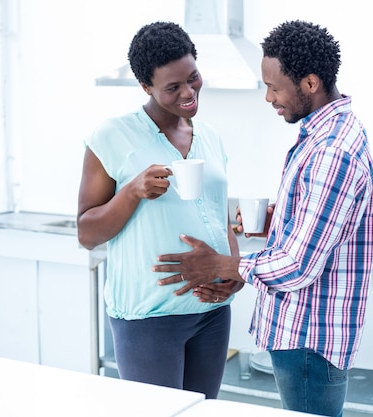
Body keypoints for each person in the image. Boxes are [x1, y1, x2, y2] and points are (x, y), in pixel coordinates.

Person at [152, 20, 373, 416]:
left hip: (309, 338)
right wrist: (281, 220)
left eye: (274, 87)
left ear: (310, 84)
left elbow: (297, 266)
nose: (269, 97)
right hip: (307, 335)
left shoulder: (330, 152)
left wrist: (219, 266)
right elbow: (323, 226)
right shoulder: (331, 133)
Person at [76, 21, 243, 398]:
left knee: (203, 410)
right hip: (150, 317)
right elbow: (87, 234)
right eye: (172, 87)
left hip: (211, 311)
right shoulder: (112, 136)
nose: (188, 92)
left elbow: (217, 214)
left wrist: (233, 269)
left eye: (193, 78)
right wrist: (132, 191)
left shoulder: (211, 137)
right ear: (145, 87)